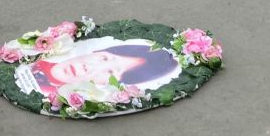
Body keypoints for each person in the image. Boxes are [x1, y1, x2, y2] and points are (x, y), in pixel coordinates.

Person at [23, 42, 179, 98]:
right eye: (105, 58)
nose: (89, 66)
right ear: (99, 51)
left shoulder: (51, 94)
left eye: (110, 72)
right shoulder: (47, 50)